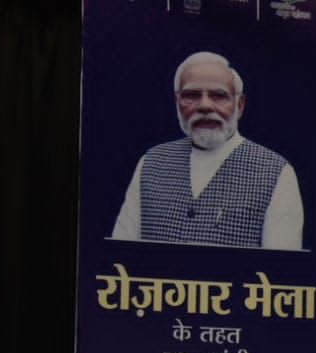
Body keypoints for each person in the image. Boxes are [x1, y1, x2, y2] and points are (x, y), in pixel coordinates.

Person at [111, 51, 303, 249]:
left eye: (218, 96)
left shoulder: (277, 173)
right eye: (191, 95)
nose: (204, 106)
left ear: (240, 105)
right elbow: (120, 252)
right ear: (177, 103)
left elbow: (281, 270)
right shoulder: (150, 163)